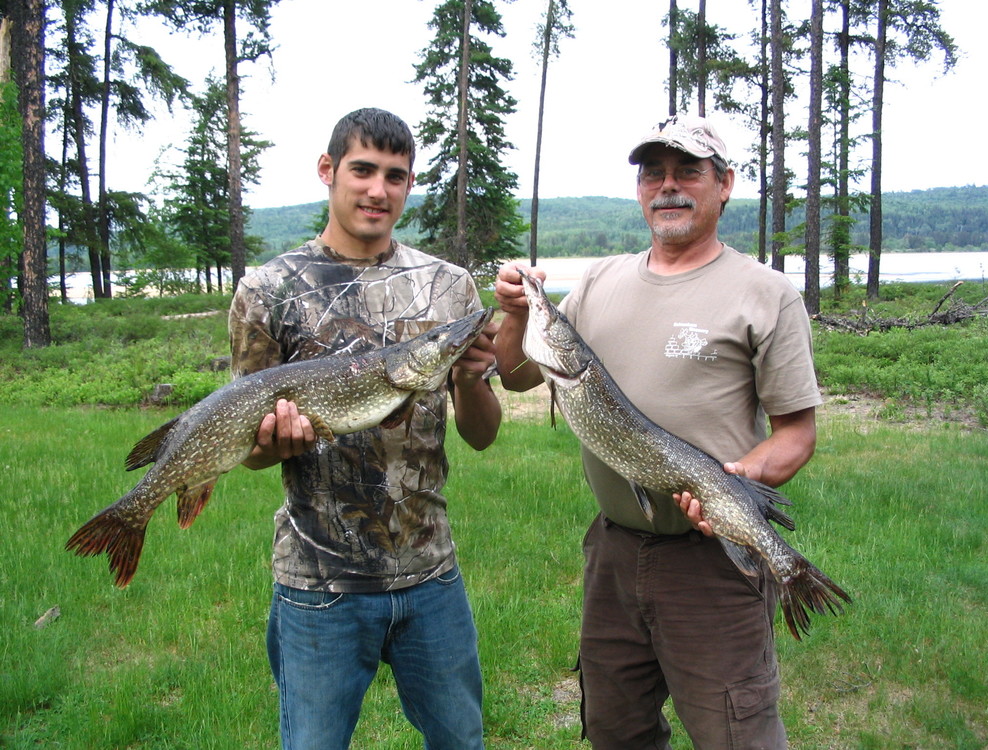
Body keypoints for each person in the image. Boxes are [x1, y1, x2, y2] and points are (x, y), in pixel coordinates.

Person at [494, 114, 823, 749]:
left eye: (687, 172)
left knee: (736, 733)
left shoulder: (766, 294)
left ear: (723, 184)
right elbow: (517, 376)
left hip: (712, 566)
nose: (667, 186)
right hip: (614, 554)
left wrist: (735, 486)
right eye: (653, 174)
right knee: (616, 732)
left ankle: (790, 573)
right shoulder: (597, 281)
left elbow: (796, 434)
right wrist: (517, 312)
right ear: (640, 189)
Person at [229, 107, 501, 750]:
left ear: (410, 185)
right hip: (318, 585)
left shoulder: (449, 287)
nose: (379, 190)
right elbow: (247, 452)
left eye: (396, 176)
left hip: (432, 574)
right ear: (328, 171)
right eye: (363, 170)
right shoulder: (267, 291)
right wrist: (274, 442)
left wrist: (467, 379)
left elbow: (483, 433)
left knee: (463, 742)